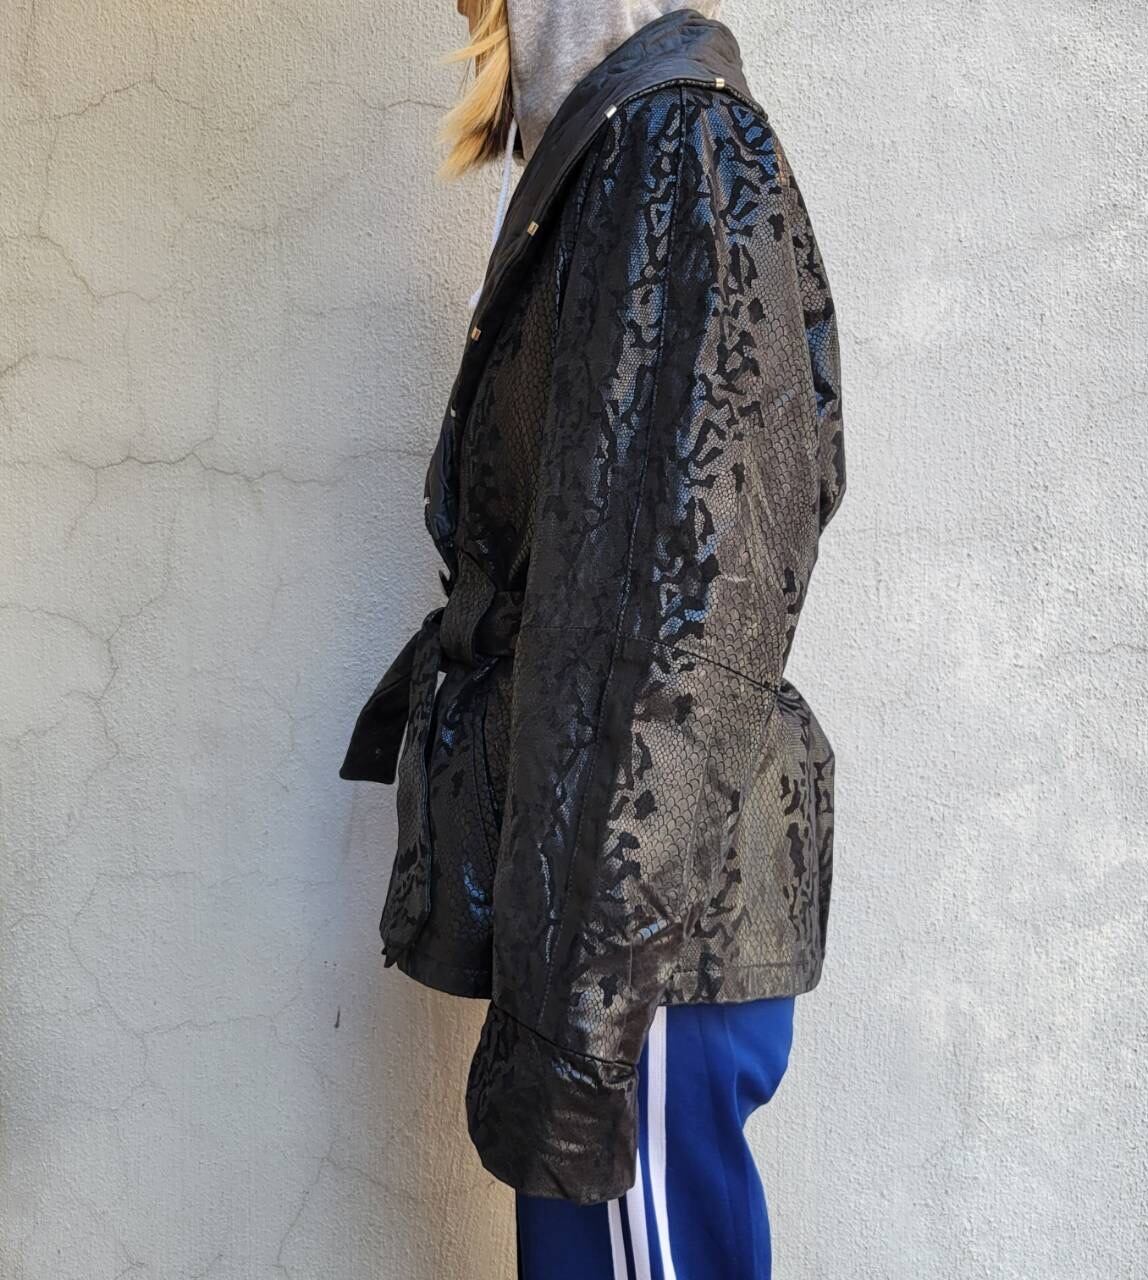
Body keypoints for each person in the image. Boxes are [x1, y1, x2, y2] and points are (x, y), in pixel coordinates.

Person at [340, 2, 846, 1276]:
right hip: (604, 934)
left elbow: (683, 622)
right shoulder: (613, 154)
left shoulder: (674, 153)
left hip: (635, 947)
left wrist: (583, 1023)